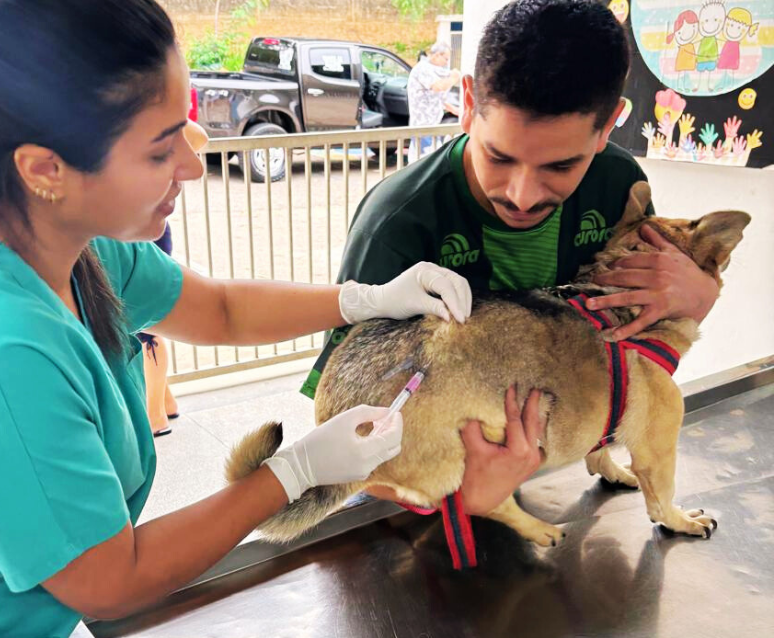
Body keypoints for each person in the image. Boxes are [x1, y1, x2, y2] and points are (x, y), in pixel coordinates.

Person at [0, 1, 543, 636]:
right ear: (44, 168)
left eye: (186, 128)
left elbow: (220, 310)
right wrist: (293, 472)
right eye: (158, 150)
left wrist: (365, 298)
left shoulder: (65, 237)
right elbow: (108, 583)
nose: (192, 167)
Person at [302, 0, 720, 513]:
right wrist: (459, 497)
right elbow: (342, 420)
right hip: (416, 487)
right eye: (499, 156)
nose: (522, 195)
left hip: (538, 470)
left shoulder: (617, 184)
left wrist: (700, 294)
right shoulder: (398, 221)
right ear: (469, 102)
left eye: (561, 165)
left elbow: (636, 334)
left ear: (609, 123)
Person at [136, 222, 180, 437]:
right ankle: (165, 402)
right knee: (141, 326)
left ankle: (155, 415)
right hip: (137, 234)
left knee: (145, 330)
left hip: (143, 237)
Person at [406, 41, 461, 163]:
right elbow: (438, 86)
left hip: (432, 126)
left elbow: (439, 99)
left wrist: (456, 111)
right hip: (423, 126)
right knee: (423, 163)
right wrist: (454, 78)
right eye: (446, 59)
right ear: (437, 55)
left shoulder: (433, 70)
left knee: (428, 161)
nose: (447, 62)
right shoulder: (422, 68)